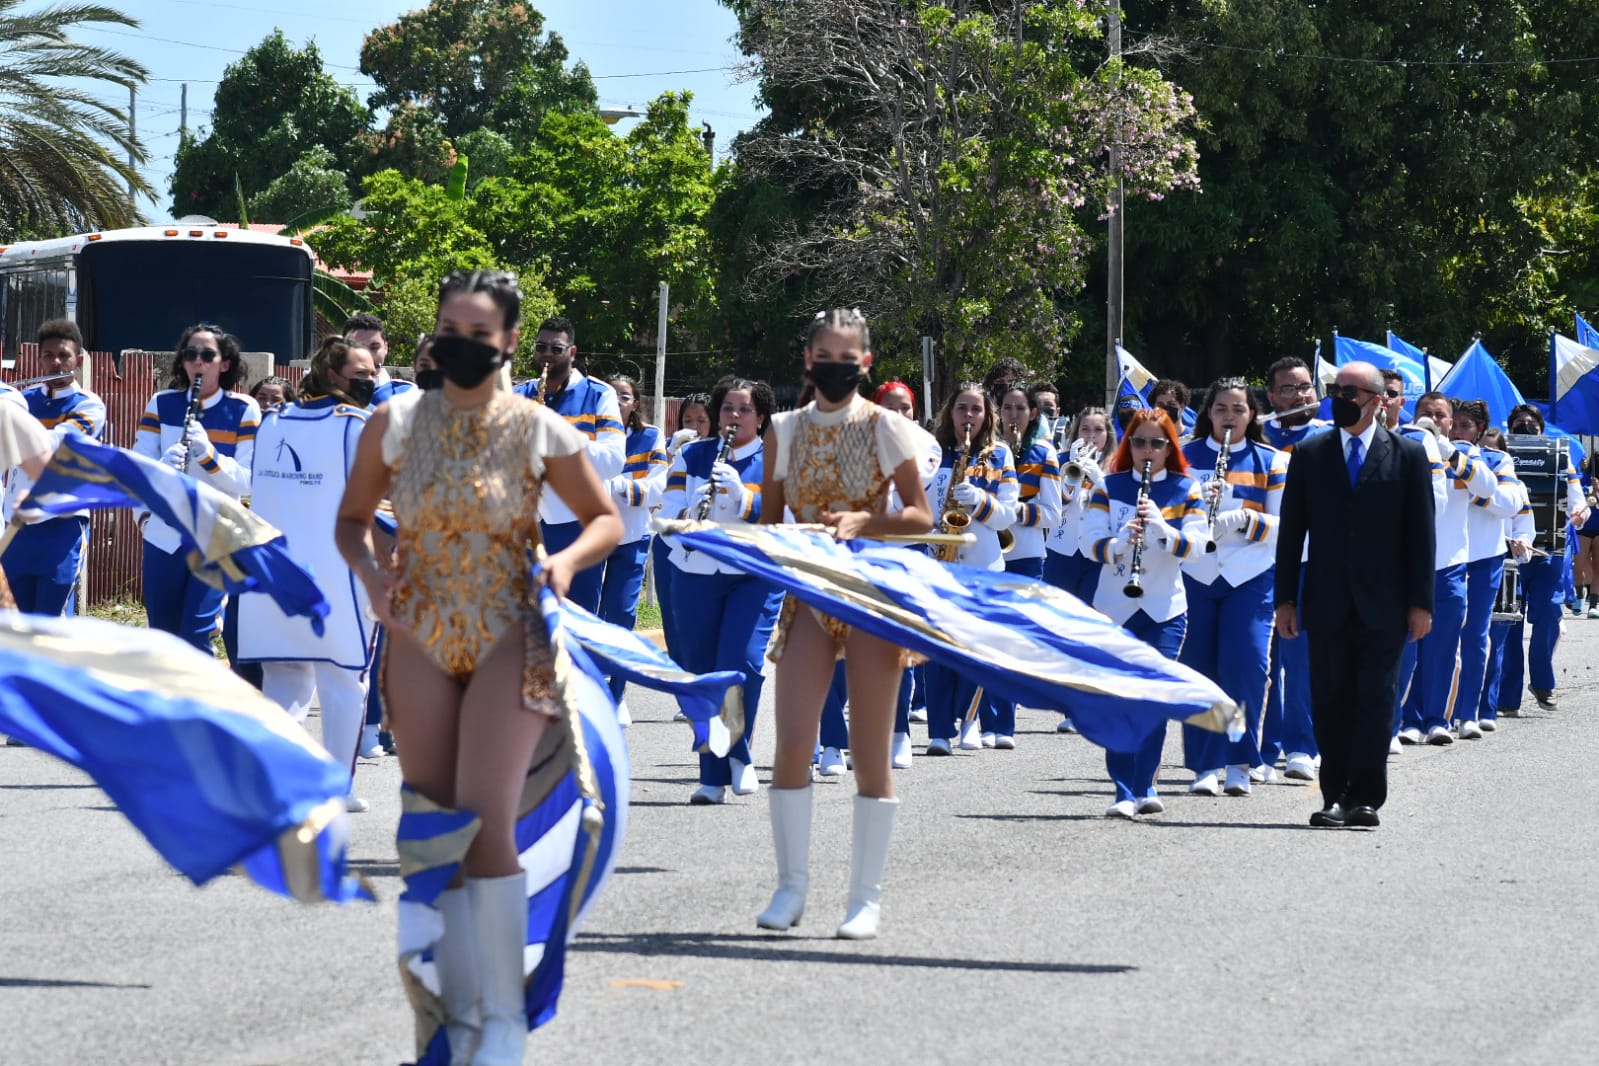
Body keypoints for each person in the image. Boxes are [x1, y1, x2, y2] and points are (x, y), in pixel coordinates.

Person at [336, 270, 622, 1066]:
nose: (461, 345)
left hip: (509, 632)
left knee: (486, 820)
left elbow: (603, 519)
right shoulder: (393, 421)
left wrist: (565, 564)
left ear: (509, 342)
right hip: (420, 633)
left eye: (479, 333)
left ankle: (503, 1016)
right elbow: (352, 522)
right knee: (434, 825)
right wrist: (373, 579)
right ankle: (453, 1015)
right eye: (449, 330)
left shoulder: (539, 427)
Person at [755, 308, 933, 940]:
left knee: (868, 752)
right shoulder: (783, 429)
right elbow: (771, 522)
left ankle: (865, 898)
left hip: (869, 594)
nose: (835, 367)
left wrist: (865, 522)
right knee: (792, 744)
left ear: (866, 364)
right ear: (808, 360)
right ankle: (790, 887)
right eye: (824, 356)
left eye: (847, 358)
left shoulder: (886, 426)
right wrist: (770, 543)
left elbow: (920, 516)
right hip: (810, 593)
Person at [1275, 361, 1435, 830]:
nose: (1339, 399)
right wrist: (1286, 599)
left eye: (1350, 392)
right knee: (1330, 701)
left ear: (1377, 400)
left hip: (1385, 604)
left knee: (1376, 700)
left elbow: (1420, 535)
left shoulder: (1407, 455)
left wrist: (1421, 603)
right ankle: (1335, 796)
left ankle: (1365, 797)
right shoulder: (1310, 453)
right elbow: (1292, 534)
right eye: (1336, 390)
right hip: (1325, 601)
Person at [240, 336, 378, 813]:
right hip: (337, 575)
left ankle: (278, 781)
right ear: (333, 375)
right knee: (343, 681)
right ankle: (336, 786)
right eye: (362, 373)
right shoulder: (356, 425)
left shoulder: (272, 421)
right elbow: (379, 505)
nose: (371, 380)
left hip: (275, 574)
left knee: (285, 677)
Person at [1080, 408, 1207, 818]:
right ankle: (1121, 789)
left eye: (1156, 443)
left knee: (1152, 696)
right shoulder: (1108, 485)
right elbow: (1088, 543)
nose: (1147, 450)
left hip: (1165, 609)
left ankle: (1145, 783)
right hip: (1114, 608)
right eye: (1139, 442)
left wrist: (1163, 530)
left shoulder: (1187, 487)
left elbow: (1198, 546)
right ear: (1128, 444)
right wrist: (1119, 542)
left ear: (1170, 447)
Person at [661, 377, 783, 805]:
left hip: (753, 574)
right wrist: (689, 518)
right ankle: (713, 776)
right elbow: (667, 513)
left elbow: (786, 517)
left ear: (761, 418)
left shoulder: (775, 461)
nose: (734, 416)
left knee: (741, 663)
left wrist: (744, 499)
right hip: (694, 572)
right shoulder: (692, 455)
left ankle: (739, 753)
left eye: (744, 409)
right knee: (702, 673)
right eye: (728, 408)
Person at [1179, 378, 1289, 797]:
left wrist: (1245, 519)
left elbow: (1287, 525)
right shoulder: (1183, 456)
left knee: (1247, 666)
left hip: (1250, 575)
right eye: (1221, 408)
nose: (1229, 417)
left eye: (1238, 409)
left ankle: (1240, 761)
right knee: (1199, 668)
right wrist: (1193, 509)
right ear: (1208, 413)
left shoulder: (1272, 460)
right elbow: (1165, 510)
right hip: (1196, 573)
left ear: (1252, 414)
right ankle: (1205, 764)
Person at [134, 325, 262, 653]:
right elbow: (137, 471)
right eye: (190, 354)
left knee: (197, 633)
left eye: (207, 355)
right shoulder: (162, 404)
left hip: (215, 537)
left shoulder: (243, 409)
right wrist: (147, 513)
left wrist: (208, 456)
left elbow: (247, 480)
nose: (198, 362)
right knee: (162, 638)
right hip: (164, 537)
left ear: (225, 363)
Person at [1394, 392, 1496, 747]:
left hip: (1449, 564)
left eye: (1440, 415)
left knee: (1443, 647)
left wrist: (1449, 453)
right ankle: (1406, 719)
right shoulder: (1400, 446)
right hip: (1407, 565)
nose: (1433, 420)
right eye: (1426, 412)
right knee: (1407, 647)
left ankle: (1437, 719)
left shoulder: (1463, 454)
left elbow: (1488, 487)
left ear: (1451, 423)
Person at [923, 381, 1018, 755]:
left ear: (987, 415)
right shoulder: (932, 452)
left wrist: (979, 502)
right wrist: (930, 529)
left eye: (976, 409)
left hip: (983, 563)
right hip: (938, 560)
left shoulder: (1000, 456)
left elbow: (1007, 515)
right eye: (962, 408)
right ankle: (938, 731)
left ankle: (970, 719)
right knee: (938, 650)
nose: (969, 416)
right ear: (950, 412)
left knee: (975, 647)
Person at [511, 316, 625, 614]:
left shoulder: (599, 393)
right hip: (525, 520)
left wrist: (560, 436)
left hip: (576, 522)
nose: (547, 355)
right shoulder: (518, 395)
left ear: (572, 353)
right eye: (541, 347)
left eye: (556, 349)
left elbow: (613, 462)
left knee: (576, 616)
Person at [1258, 357, 1332, 782]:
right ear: (1271, 396)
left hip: (1309, 561)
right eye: (1288, 389)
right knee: (1259, 662)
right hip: (1257, 560)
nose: (1300, 395)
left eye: (1305, 388)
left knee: (1301, 659)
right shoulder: (1257, 435)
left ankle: (1303, 746)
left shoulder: (1329, 435)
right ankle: (1263, 749)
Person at [1, 320, 106, 616]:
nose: (56, 362)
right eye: (48, 355)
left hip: (62, 527)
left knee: (51, 623)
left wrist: (9, 414)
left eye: (64, 355)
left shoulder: (90, 406)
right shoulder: (22, 400)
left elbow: (57, 444)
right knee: (13, 624)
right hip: (17, 527)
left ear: (78, 361)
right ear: (39, 359)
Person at [1497, 403, 1588, 713]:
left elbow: (1578, 503)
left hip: (1550, 552)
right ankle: (1507, 698)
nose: (1525, 427)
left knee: (1549, 614)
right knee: (1509, 622)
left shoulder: (1560, 457)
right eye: (1519, 423)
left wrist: (1580, 514)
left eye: (1531, 423)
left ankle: (1543, 681)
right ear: (1510, 428)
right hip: (1508, 553)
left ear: (1541, 429)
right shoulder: (1498, 456)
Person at [988, 382, 1061, 747]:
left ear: (1033, 413)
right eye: (1007, 408)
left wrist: (1011, 511)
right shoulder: (988, 451)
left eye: (1020, 408)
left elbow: (1053, 514)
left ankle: (1004, 724)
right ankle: (982, 721)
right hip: (988, 553)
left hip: (1026, 555)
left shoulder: (1044, 452)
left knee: (1014, 639)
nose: (1013, 415)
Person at [1447, 399, 1522, 740]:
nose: (1456, 431)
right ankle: (1434, 713)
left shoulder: (1496, 459)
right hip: (1445, 556)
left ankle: (1468, 712)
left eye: (1465, 425)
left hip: (1483, 557)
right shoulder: (1433, 455)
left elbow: (1508, 503)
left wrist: (1475, 486)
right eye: (1453, 424)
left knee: (1475, 636)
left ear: (1479, 430)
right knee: (1438, 636)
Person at [599, 374, 669, 725]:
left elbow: (658, 487)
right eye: (611, 395)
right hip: (591, 536)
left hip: (632, 537)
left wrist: (619, 487)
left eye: (624, 396)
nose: (617, 401)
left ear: (635, 403)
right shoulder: (590, 433)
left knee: (622, 615)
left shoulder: (650, 436)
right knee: (591, 615)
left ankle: (617, 694)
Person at [1044, 405, 1113, 735]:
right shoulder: (1061, 460)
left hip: (1097, 554)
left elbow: (1117, 505)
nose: (1091, 436)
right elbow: (1059, 501)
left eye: (1098, 430)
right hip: (1062, 550)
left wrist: (1098, 477)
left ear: (1108, 435)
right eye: (1085, 429)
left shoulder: (1116, 467)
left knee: (1091, 630)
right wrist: (1070, 469)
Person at [345, 312, 415, 407]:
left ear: (386, 348)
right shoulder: (330, 396)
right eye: (359, 348)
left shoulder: (408, 394)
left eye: (374, 347)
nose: (368, 355)